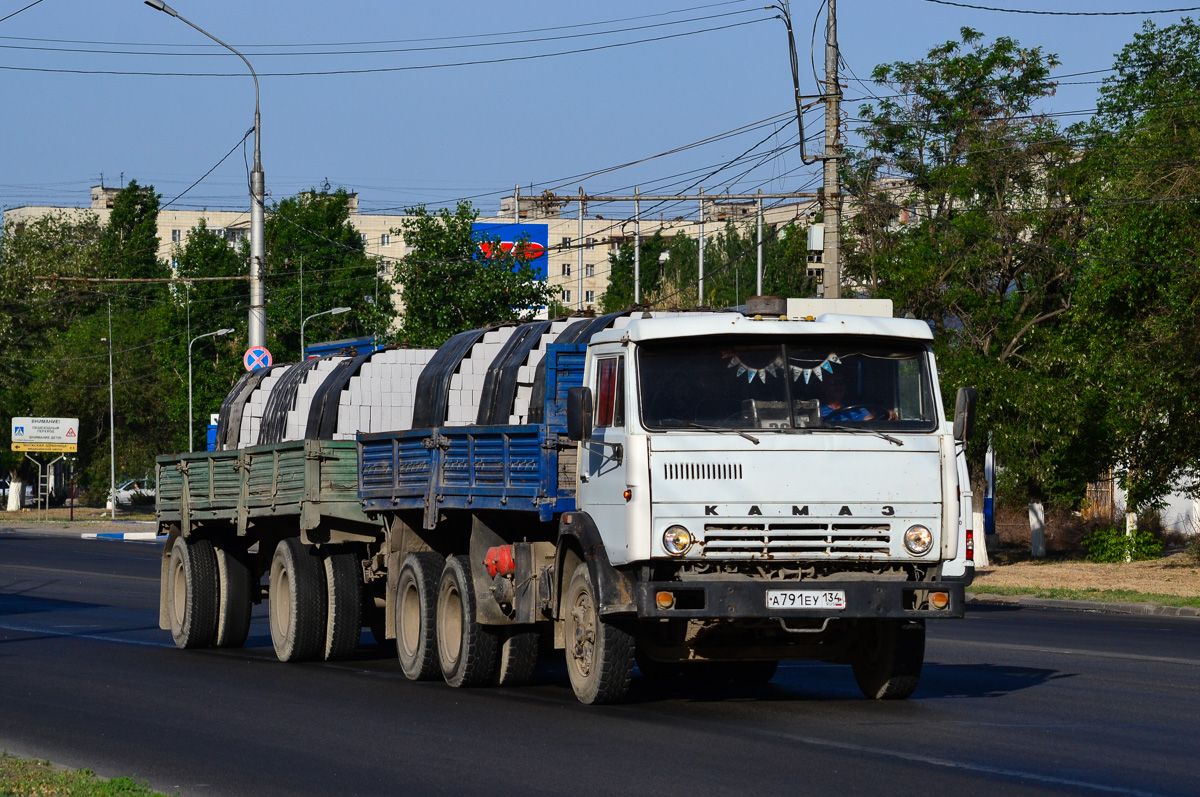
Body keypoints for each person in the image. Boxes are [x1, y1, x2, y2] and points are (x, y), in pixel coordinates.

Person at [817, 372, 896, 421]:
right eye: (833, 383)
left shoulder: (856, 408)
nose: (839, 387)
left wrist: (887, 416)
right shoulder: (817, 411)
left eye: (842, 383)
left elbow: (870, 422)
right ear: (822, 387)